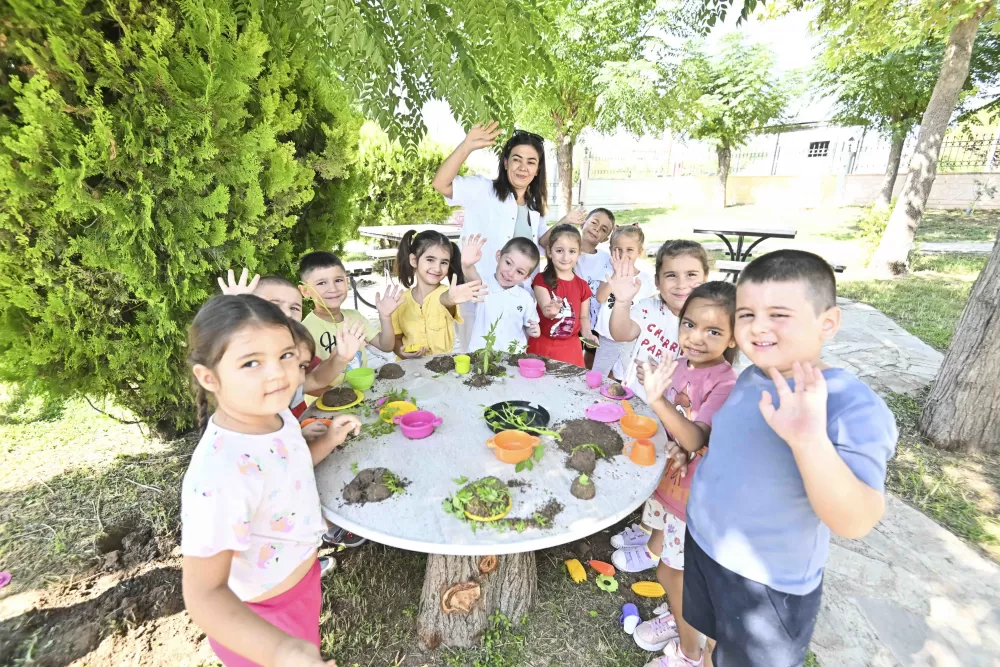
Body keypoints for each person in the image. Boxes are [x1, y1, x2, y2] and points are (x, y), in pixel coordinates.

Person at [674, 250, 897, 667]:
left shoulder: (851, 406)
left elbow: (856, 521)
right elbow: (734, 447)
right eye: (746, 314)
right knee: (716, 644)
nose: (758, 327)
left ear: (827, 323)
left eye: (779, 314)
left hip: (764, 583)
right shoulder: (750, 376)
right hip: (706, 544)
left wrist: (809, 441)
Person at [180, 294, 359, 667]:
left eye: (286, 355)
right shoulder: (220, 473)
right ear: (209, 377)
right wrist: (281, 651)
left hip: (301, 584)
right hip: (257, 619)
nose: (277, 373)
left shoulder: (278, 417)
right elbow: (204, 594)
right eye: (251, 362)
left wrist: (328, 440)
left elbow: (286, 473)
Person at [608, 282, 739, 667]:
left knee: (673, 575)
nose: (696, 338)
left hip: (695, 500)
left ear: (734, 337)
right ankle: (685, 622)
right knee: (669, 566)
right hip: (675, 483)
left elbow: (697, 434)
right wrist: (675, 444)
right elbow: (683, 434)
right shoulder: (682, 363)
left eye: (713, 331)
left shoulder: (724, 381)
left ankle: (691, 653)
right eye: (690, 325)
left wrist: (657, 401)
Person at [433, 122, 581, 350]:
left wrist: (565, 221)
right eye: (517, 159)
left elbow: (541, 243)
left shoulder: (534, 208)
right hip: (479, 297)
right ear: (505, 162)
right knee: (476, 364)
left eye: (531, 162)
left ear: (538, 169)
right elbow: (441, 183)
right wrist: (467, 146)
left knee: (509, 362)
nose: (523, 167)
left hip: (516, 301)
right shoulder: (483, 190)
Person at [605, 241, 709, 401]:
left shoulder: (711, 324)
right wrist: (622, 302)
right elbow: (621, 334)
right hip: (635, 403)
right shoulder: (648, 309)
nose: (681, 284)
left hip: (675, 415)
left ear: (705, 278)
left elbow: (708, 381)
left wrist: (667, 380)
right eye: (671, 275)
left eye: (691, 274)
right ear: (657, 282)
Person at [298, 252, 402, 387]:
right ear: (305, 291)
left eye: (338, 280)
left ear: (347, 283)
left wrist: (385, 316)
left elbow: (386, 346)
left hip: (361, 393)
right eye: (322, 283)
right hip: (324, 405)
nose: (333, 288)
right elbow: (305, 382)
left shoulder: (355, 317)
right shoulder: (304, 331)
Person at [391, 229, 489, 357]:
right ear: (414, 260)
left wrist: (467, 266)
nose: (437, 268)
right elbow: (395, 339)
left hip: (440, 370)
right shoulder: (400, 300)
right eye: (430, 259)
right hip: (407, 371)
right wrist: (402, 353)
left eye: (444, 262)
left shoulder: (446, 294)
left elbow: (447, 298)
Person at [528, 224, 598, 366]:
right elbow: (546, 309)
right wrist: (551, 311)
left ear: (579, 253)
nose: (566, 257)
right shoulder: (541, 280)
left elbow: (583, 317)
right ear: (549, 251)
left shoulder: (583, 286)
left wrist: (588, 335)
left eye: (572, 251)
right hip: (542, 346)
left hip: (571, 350)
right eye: (559, 250)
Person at [460, 234, 542, 352]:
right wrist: (467, 264)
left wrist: (534, 330)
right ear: (499, 256)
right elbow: (471, 275)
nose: (510, 273)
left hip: (513, 358)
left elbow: (529, 325)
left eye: (519, 271)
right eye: (508, 263)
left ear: (526, 277)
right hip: (481, 355)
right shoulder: (483, 285)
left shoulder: (526, 298)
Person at [592, 225, 655, 377]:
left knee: (628, 377)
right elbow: (600, 298)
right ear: (611, 250)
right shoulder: (607, 273)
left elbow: (650, 312)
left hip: (631, 341)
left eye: (629, 250)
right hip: (606, 338)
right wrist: (615, 274)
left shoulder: (645, 280)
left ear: (640, 251)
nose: (623, 254)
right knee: (599, 375)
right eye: (618, 249)